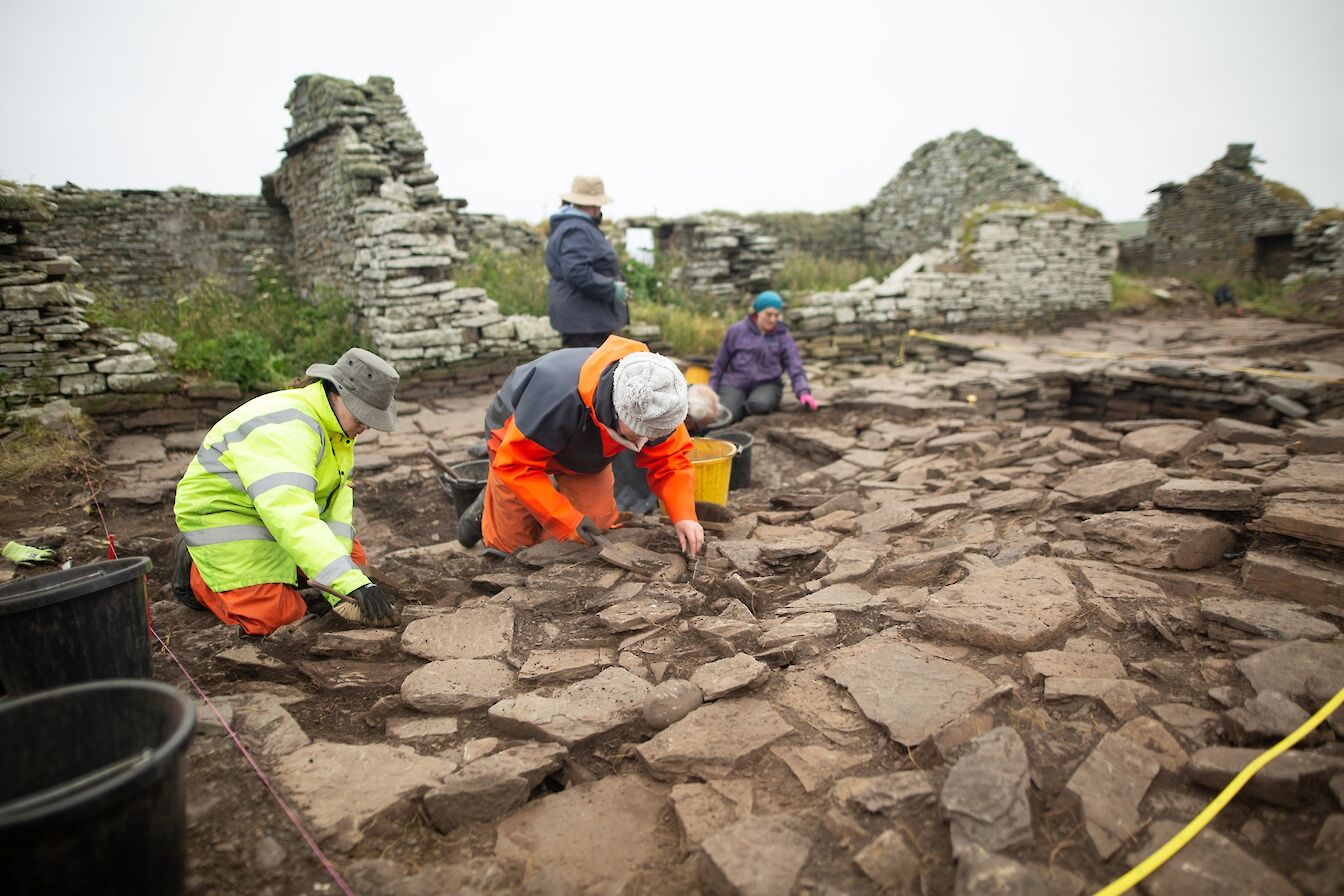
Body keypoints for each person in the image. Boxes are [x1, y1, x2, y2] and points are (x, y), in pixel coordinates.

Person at [170, 348, 400, 635]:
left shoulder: (338, 430)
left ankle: (285, 570)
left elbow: (337, 504)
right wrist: (349, 585)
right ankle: (199, 574)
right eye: (364, 414)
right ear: (336, 393)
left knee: (354, 567)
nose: (367, 425)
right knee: (278, 618)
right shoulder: (287, 428)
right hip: (229, 520)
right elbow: (290, 514)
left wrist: (349, 580)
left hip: (276, 517)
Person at [457, 335, 704, 559]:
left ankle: (530, 510)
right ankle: (485, 504)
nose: (642, 445)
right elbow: (517, 466)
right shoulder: (556, 398)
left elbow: (671, 461)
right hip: (517, 443)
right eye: (636, 435)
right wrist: (565, 519)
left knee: (590, 530)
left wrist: (684, 516)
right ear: (616, 411)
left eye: (651, 437)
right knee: (512, 548)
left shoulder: (658, 403)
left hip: (582, 452)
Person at [612, 382, 722, 513]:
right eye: (698, 426)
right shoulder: (661, 416)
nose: (698, 431)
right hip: (622, 472)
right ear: (687, 417)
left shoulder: (675, 388)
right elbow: (667, 463)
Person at [546, 175, 628, 348]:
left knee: (584, 371)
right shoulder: (577, 229)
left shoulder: (575, 226)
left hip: (585, 319)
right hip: (585, 322)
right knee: (589, 372)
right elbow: (577, 271)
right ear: (593, 206)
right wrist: (610, 288)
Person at [710, 290, 817, 422]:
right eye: (768, 314)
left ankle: (747, 406)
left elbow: (795, 366)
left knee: (759, 405)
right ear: (757, 312)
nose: (773, 319)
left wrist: (803, 392)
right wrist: (712, 389)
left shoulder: (783, 336)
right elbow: (720, 364)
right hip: (735, 382)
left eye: (776, 315)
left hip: (767, 384)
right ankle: (737, 407)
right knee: (726, 415)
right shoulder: (735, 331)